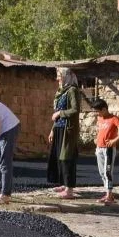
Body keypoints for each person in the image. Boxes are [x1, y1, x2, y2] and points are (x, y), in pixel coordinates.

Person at [48, 67, 80, 199]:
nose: (57, 78)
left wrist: (59, 113)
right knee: (57, 156)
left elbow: (75, 109)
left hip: (68, 130)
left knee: (66, 157)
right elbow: (57, 114)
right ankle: (63, 183)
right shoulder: (61, 92)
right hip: (59, 128)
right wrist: (52, 129)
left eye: (59, 75)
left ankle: (69, 189)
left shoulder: (72, 90)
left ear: (66, 76)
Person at [92, 98, 119, 205]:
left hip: (108, 150)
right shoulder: (100, 118)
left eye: (97, 111)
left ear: (104, 109)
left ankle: (109, 195)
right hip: (99, 148)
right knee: (101, 172)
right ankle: (109, 194)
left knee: (107, 172)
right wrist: (96, 139)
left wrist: (114, 140)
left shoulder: (114, 118)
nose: (96, 114)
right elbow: (100, 131)